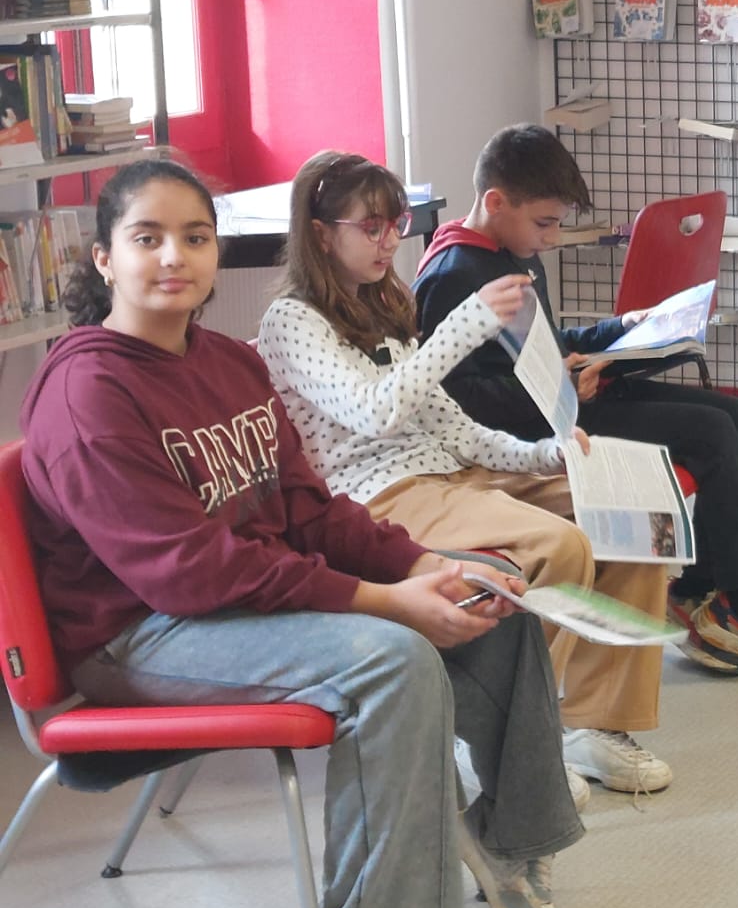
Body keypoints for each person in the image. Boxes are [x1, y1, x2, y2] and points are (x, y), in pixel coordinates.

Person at [21, 160, 582, 908]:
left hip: (238, 599)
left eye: (194, 237)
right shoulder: (87, 392)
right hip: (143, 633)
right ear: (105, 258)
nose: (173, 257)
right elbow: (191, 574)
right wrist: (387, 601)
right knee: (391, 662)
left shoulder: (229, 362)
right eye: (147, 238)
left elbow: (309, 511)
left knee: (492, 583)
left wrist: (424, 560)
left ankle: (510, 837)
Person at [257, 150, 679, 797]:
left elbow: (454, 428)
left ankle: (596, 724)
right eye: (370, 227)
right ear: (321, 233)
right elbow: (377, 409)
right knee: (558, 546)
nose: (388, 241)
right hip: (380, 495)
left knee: (642, 507)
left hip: (451, 474)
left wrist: (546, 454)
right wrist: (464, 325)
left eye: (394, 224)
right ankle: (505, 740)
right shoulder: (292, 320)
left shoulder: (381, 303)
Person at [415, 124, 738, 678]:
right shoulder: (453, 273)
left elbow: (546, 345)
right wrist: (558, 388)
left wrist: (617, 330)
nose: (553, 238)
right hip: (536, 432)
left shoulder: (511, 249)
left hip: (566, 400)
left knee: (736, 418)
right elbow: (459, 403)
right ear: (494, 202)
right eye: (545, 223)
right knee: (712, 435)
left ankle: (701, 590)